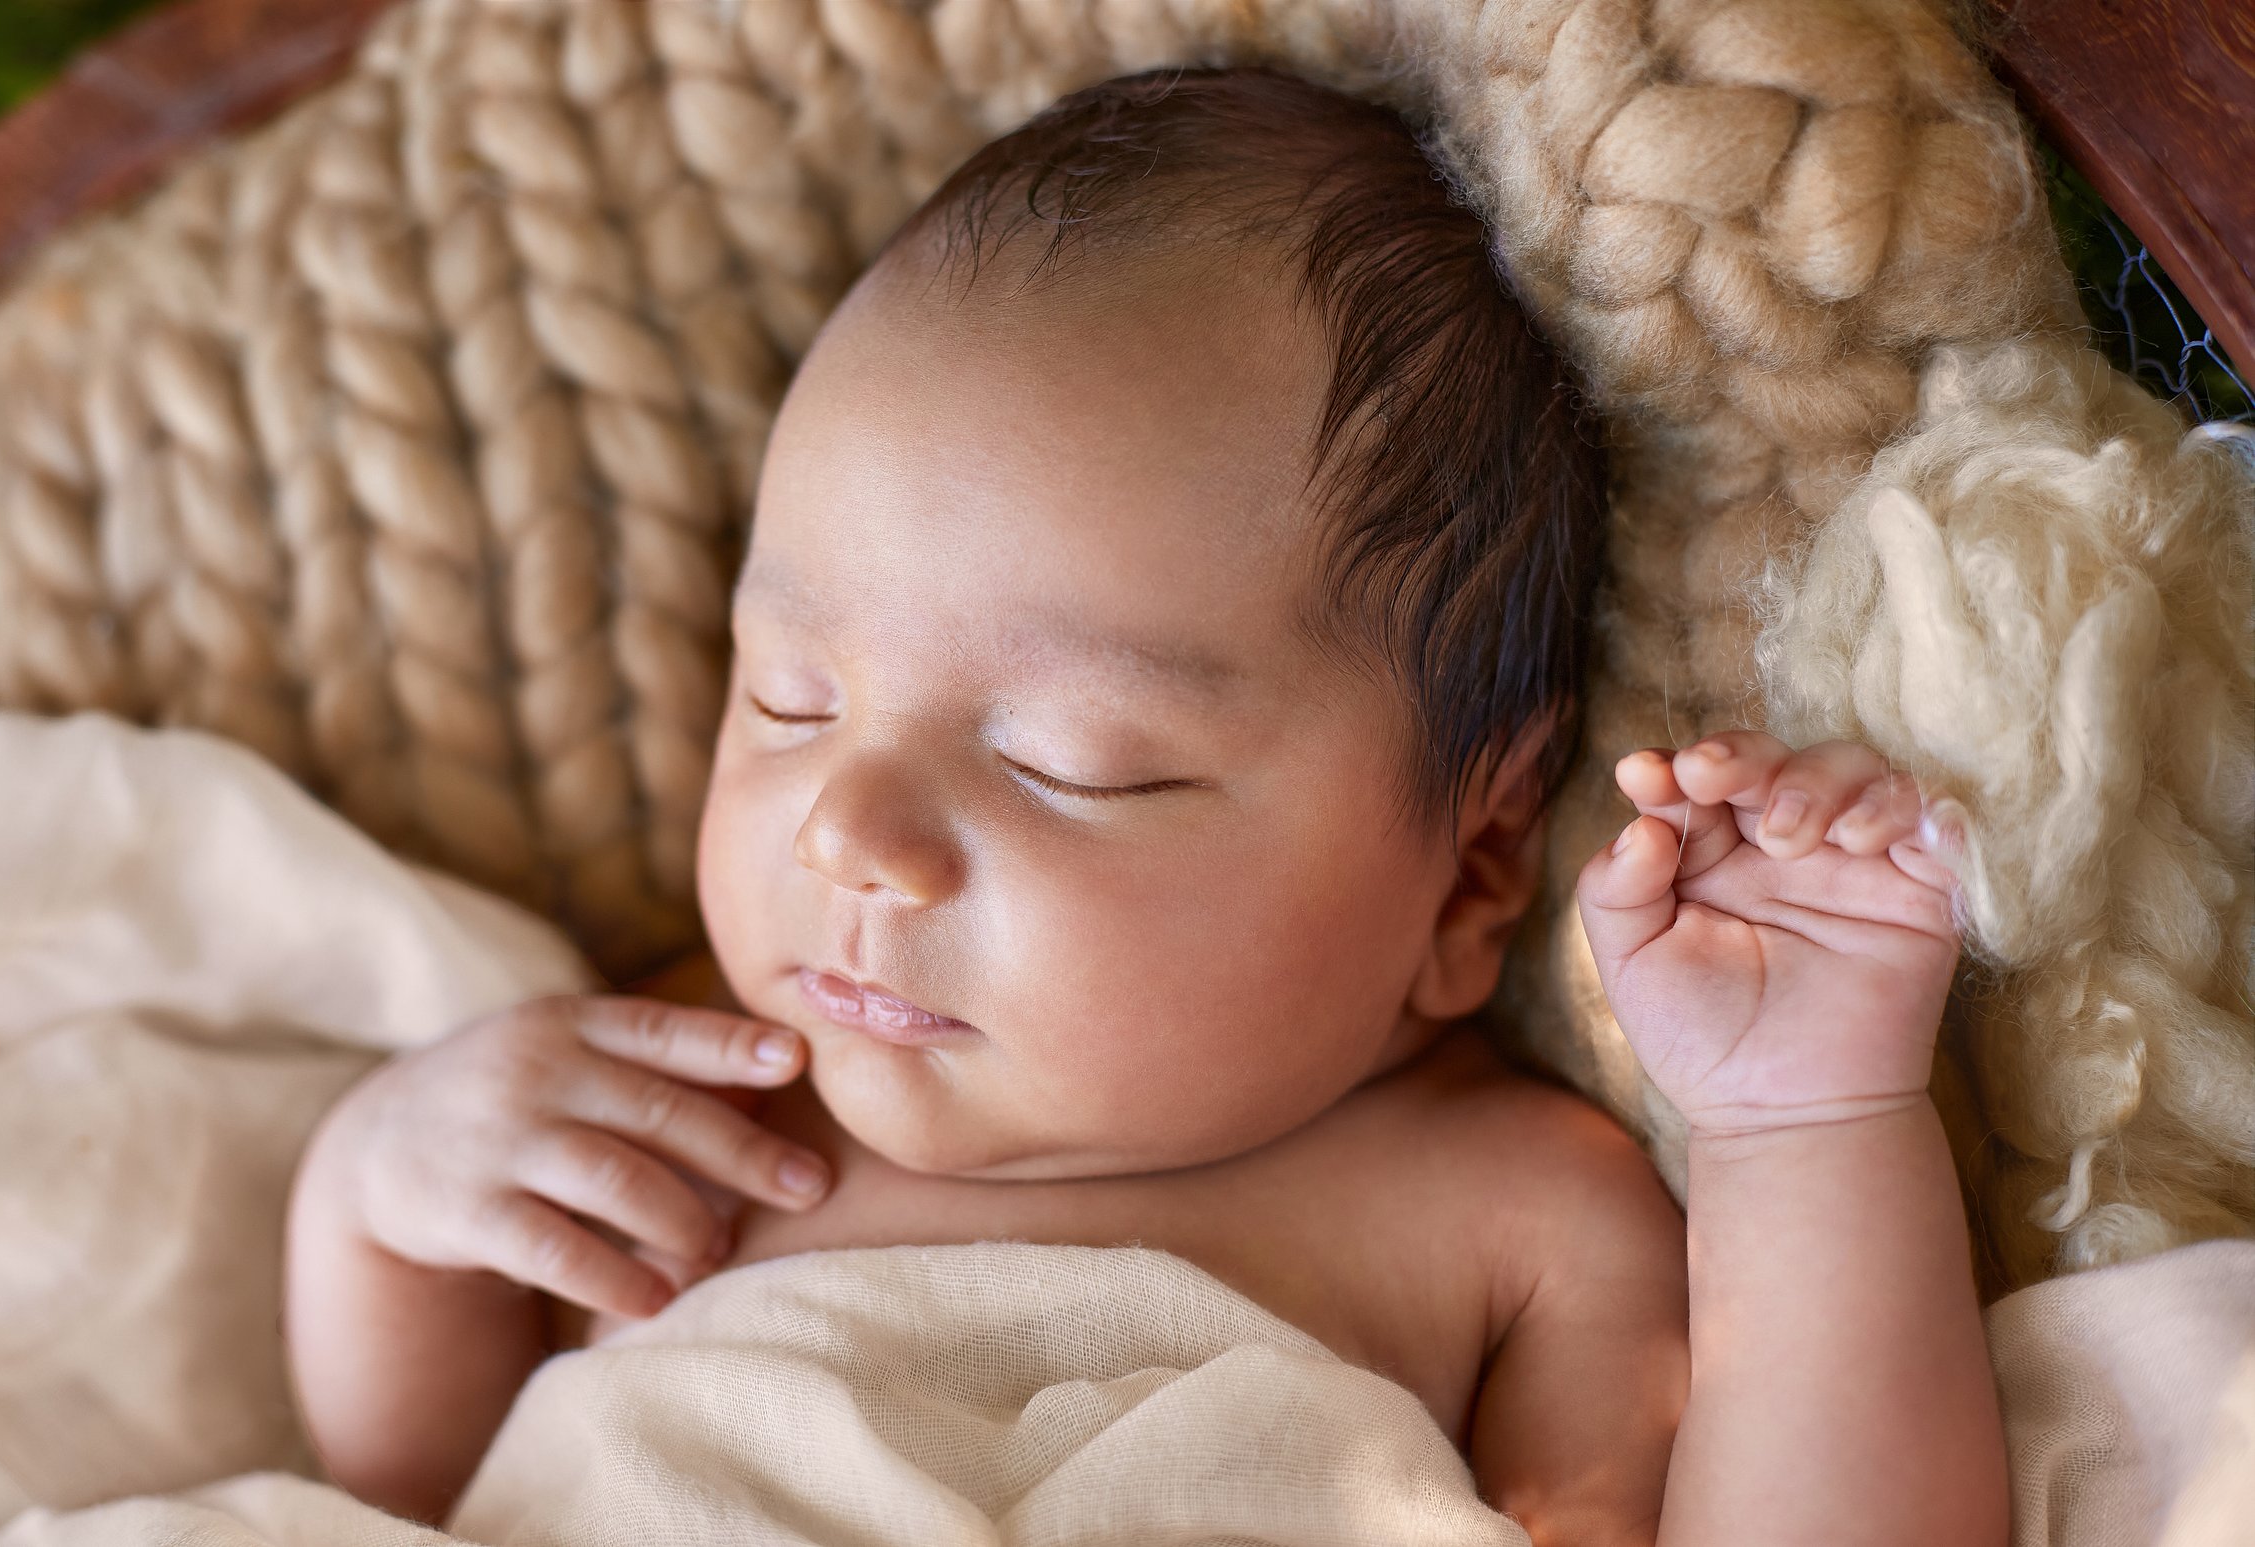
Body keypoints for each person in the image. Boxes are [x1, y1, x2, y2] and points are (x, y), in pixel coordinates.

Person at [282, 66, 2007, 1545]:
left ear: (1474, 864)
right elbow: (417, 1494)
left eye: (1070, 762)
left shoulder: (1508, 1217)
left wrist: (1805, 1125)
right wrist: (385, 1199)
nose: (845, 832)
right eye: (785, 698)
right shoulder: (692, 1100)